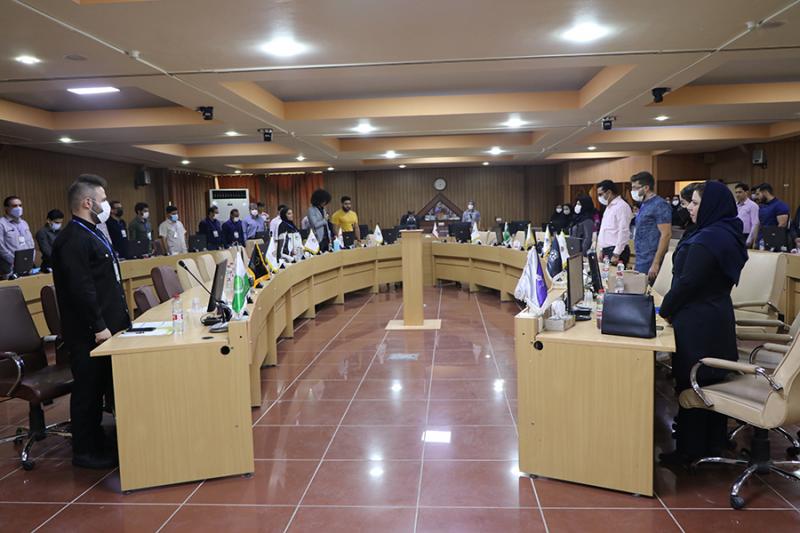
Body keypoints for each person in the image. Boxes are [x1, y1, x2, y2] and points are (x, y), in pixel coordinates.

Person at [658, 181, 748, 465]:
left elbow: (688, 283)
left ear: (710, 206)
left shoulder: (708, 240)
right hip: (716, 316)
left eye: (696, 203)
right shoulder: (726, 232)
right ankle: (712, 442)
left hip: (698, 321)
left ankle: (690, 450)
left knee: (693, 382)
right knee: (711, 382)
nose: (690, 208)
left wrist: (664, 310)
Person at [52, 174, 131, 469]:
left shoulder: (92, 232)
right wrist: (99, 326)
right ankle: (85, 451)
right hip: (89, 332)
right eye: (103, 199)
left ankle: (98, 440)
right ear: (88, 202)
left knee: (100, 386)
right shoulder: (73, 239)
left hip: (108, 326)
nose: (106, 205)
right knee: (88, 389)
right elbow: (81, 289)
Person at [630, 171, 672, 281]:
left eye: (635, 188)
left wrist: (656, 262)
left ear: (646, 188)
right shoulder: (644, 204)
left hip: (651, 258)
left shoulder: (659, 205)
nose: (632, 191)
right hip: (641, 257)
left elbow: (666, 234)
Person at [595, 180, 632, 267]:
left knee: (615, 275)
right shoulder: (609, 207)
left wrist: (616, 253)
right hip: (607, 250)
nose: (599, 197)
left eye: (600, 194)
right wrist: (601, 250)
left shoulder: (622, 206)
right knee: (605, 274)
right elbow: (605, 230)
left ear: (609, 192)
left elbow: (623, 231)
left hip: (616, 250)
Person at [0, 195, 35, 278]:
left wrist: (30, 260)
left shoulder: (24, 223)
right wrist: (16, 261)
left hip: (27, 266)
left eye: (20, 205)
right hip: (10, 268)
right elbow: (1, 248)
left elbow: (31, 243)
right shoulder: (1, 224)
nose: (18, 208)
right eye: (14, 206)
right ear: (6, 208)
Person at [733, 183, 759, 248]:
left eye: (740, 192)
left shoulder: (753, 206)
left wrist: (749, 240)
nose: (737, 195)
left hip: (746, 235)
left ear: (746, 192)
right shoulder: (734, 205)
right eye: (736, 192)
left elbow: (755, 224)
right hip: (735, 235)